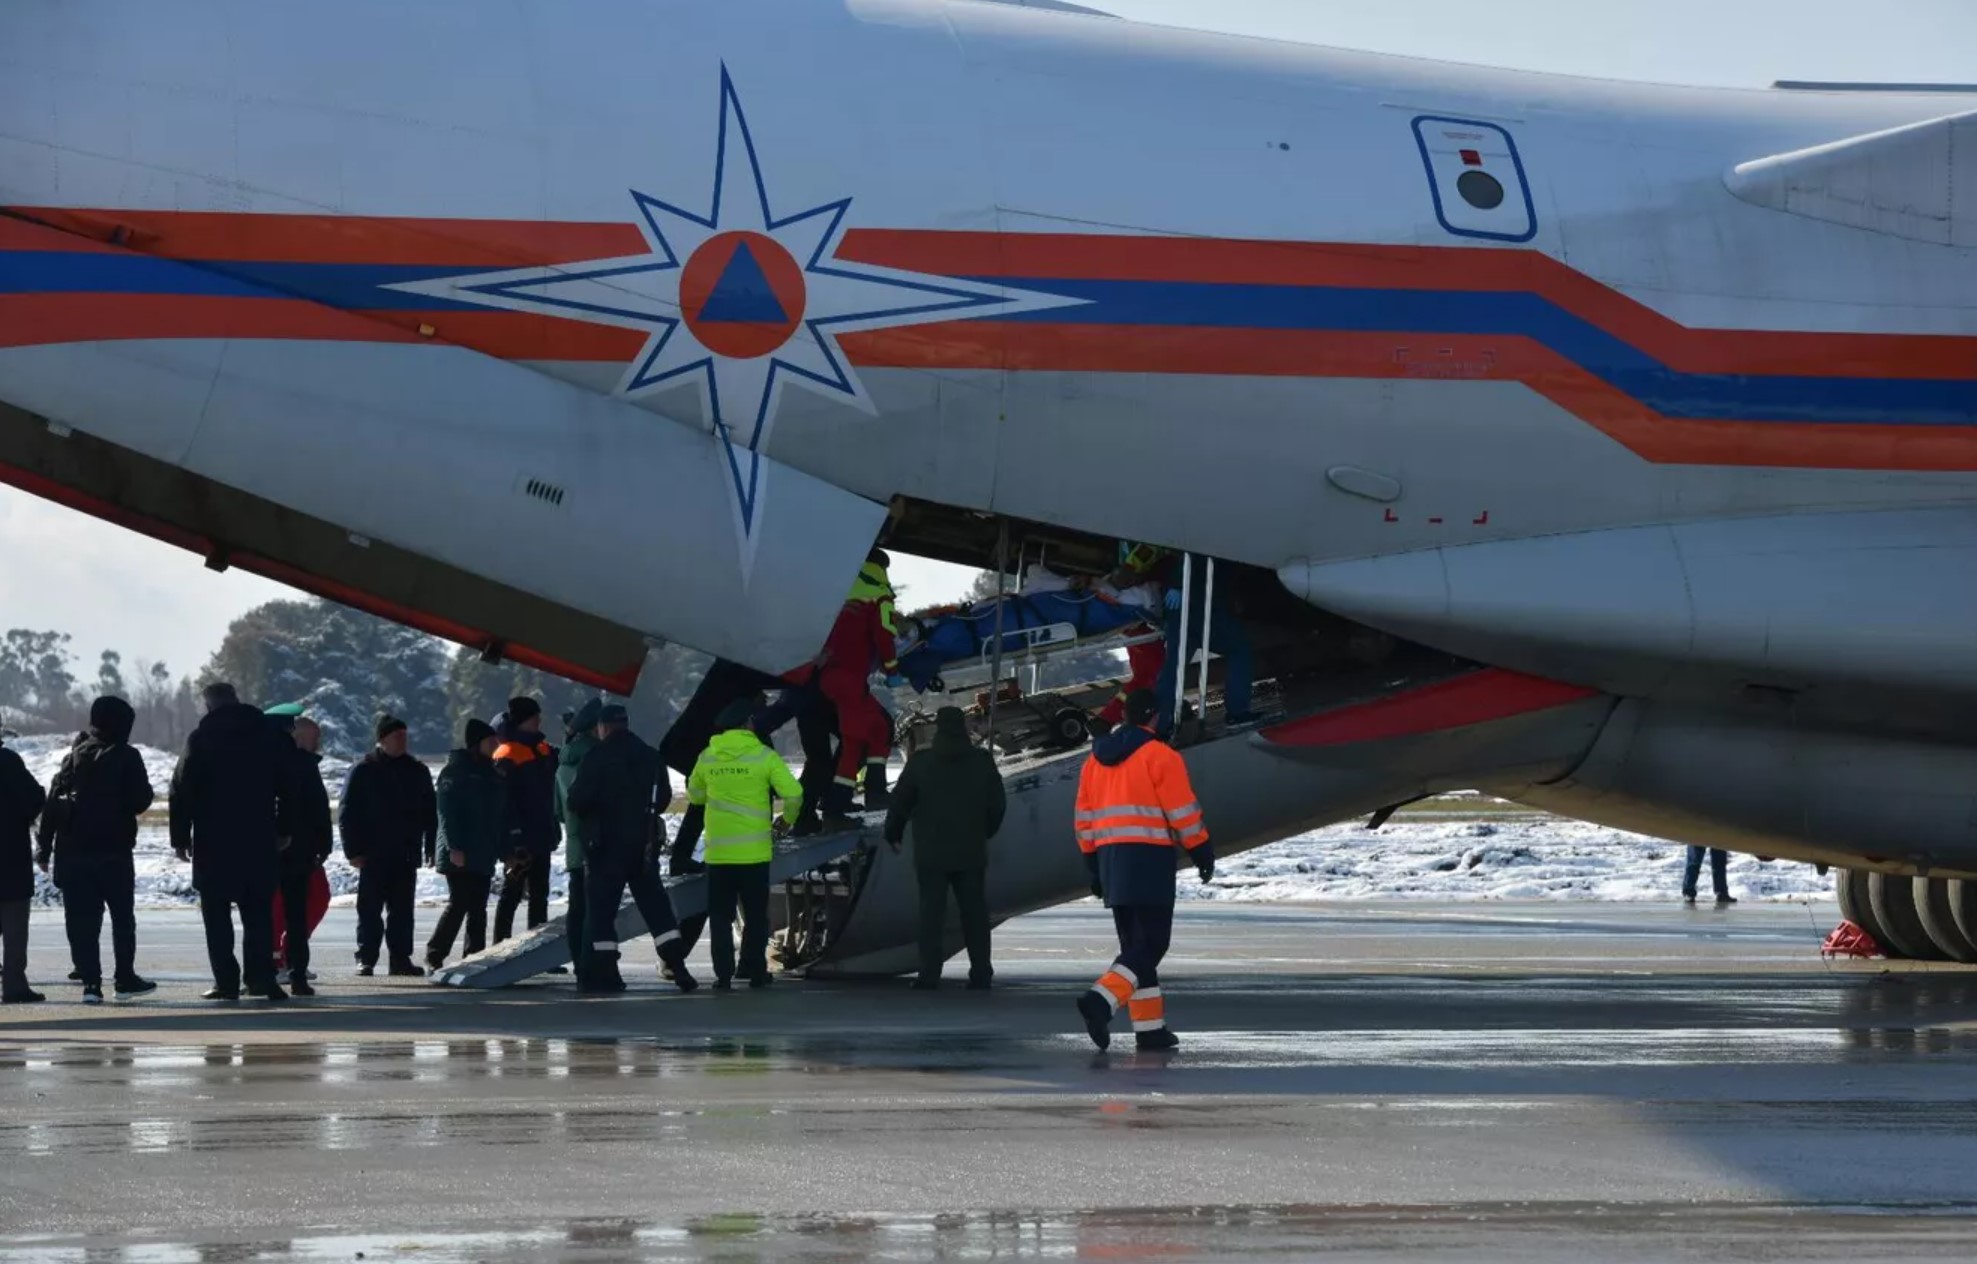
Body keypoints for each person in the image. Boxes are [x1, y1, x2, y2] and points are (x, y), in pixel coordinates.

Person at [1072, 689, 1213, 1053]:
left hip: (1110, 860)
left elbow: (1084, 818)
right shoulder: (1160, 756)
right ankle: (1100, 1000)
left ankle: (1150, 1030)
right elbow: (1181, 811)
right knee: (1152, 944)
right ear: (1153, 717)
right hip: (1148, 858)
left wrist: (1093, 863)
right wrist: (1201, 850)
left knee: (1135, 947)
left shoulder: (1094, 761)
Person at [171, 683, 297, 1002]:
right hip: (258, 837)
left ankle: (226, 982)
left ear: (209, 705)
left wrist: (181, 838)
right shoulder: (266, 736)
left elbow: (181, 789)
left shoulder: (201, 739)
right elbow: (290, 784)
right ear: (236, 699)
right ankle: (261, 979)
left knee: (217, 917)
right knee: (258, 915)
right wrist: (284, 828)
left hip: (214, 842)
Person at [568, 704, 697, 993]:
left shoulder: (596, 757)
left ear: (603, 728)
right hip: (643, 847)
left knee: (601, 915)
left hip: (605, 849)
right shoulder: (650, 756)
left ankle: (605, 975)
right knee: (658, 910)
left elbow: (577, 800)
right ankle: (678, 967)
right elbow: (662, 797)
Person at [34, 698, 155, 1003]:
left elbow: (52, 804)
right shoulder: (128, 756)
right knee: (122, 918)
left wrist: (44, 847)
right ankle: (125, 978)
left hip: (73, 852)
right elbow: (141, 800)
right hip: (113, 851)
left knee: (82, 920)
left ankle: (90, 983)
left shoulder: (73, 756)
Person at [883, 706, 1006, 990]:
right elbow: (997, 804)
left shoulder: (921, 762)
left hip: (930, 852)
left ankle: (929, 974)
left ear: (938, 727)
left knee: (931, 914)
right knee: (974, 913)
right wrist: (984, 831)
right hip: (971, 850)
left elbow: (900, 801)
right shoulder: (982, 760)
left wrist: (894, 833)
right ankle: (981, 973)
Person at [686, 699, 804, 990]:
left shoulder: (708, 757)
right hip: (754, 854)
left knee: (720, 917)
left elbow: (695, 795)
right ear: (747, 724)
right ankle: (754, 971)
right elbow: (794, 794)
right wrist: (786, 821)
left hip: (720, 854)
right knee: (755, 916)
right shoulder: (763, 756)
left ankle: (723, 975)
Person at [339, 715, 437, 977]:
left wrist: (430, 846)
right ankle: (366, 957)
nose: (403, 741)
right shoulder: (363, 770)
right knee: (370, 910)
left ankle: (400, 958)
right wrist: (353, 851)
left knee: (402, 911)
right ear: (382, 739)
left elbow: (430, 812)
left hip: (405, 851)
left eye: (405, 736)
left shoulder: (417, 770)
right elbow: (348, 813)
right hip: (373, 852)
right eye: (397, 736)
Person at [817, 549, 901, 826]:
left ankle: (861, 795)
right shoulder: (878, 592)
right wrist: (892, 669)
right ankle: (843, 805)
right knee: (870, 733)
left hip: (829, 675)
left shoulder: (838, 589)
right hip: (849, 678)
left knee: (871, 731)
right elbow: (884, 634)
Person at [427, 719, 505, 969]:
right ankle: (435, 953)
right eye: (490, 741)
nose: (496, 745)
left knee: (479, 906)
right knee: (460, 902)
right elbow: (446, 814)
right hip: (459, 850)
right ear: (477, 743)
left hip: (483, 849)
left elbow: (497, 815)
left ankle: (474, 955)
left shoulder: (491, 772)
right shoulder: (455, 772)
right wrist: (454, 847)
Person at [1152, 552, 1254, 738]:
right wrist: (1178, 583)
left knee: (1174, 666)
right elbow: (1196, 551)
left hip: (1181, 608)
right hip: (1204, 603)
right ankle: (1238, 712)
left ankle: (1160, 724)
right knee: (1240, 650)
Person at [270, 713, 333, 996]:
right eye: (314, 737)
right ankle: (292, 970)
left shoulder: (261, 763)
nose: (318, 743)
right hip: (299, 851)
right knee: (291, 912)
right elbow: (319, 808)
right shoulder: (303, 766)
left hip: (273, 850)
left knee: (277, 910)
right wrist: (323, 845)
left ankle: (273, 967)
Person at [492, 697, 561, 946]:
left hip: (541, 833)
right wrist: (514, 836)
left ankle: (537, 946)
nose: (539, 720)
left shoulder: (541, 748)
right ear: (523, 721)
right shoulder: (507, 754)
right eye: (534, 717)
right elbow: (505, 803)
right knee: (511, 893)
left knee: (540, 895)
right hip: (519, 838)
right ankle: (500, 944)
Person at [553, 698, 603, 981]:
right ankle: (591, 964)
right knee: (595, 911)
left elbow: (559, 811)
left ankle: (579, 963)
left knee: (577, 909)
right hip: (597, 845)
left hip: (574, 846)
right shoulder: (596, 761)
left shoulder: (562, 764)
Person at [1, 727, 47, 1004]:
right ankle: (14, 986)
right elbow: (34, 798)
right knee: (14, 929)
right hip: (9, 857)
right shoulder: (7, 761)